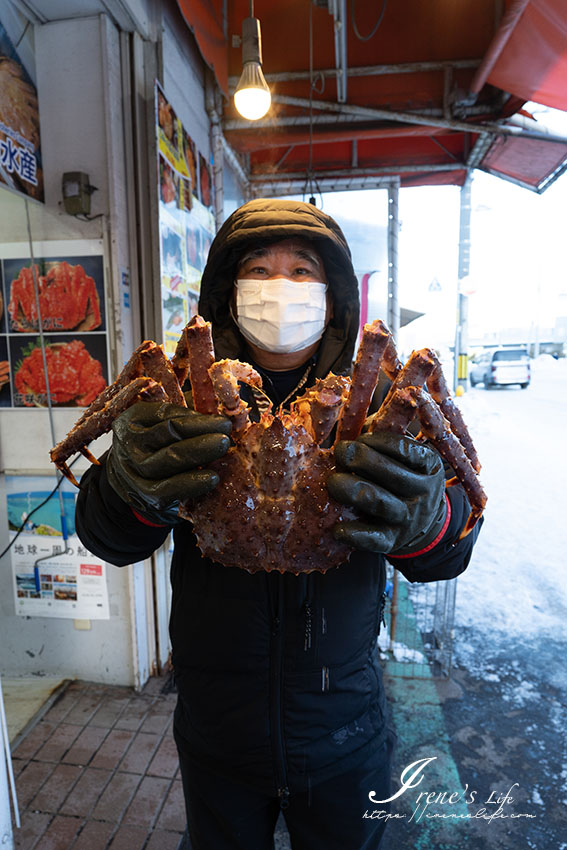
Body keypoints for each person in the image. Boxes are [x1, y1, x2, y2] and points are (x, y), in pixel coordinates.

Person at [75, 199, 481, 850]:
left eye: (300, 271)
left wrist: (438, 515)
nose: (279, 288)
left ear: (333, 292)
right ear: (228, 292)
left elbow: (447, 551)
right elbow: (108, 537)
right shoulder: (190, 394)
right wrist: (125, 478)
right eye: (258, 269)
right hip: (216, 727)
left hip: (343, 722)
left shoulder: (372, 401)